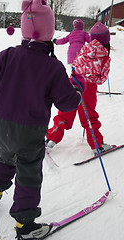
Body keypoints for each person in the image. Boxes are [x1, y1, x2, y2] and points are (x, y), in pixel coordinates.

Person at [0, 0, 86, 239]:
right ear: (49, 32)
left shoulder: (8, 55)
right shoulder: (52, 67)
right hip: (29, 133)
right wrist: (78, 90)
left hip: (2, 127)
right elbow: (67, 102)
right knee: (28, 174)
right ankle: (25, 224)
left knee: (4, 159)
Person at [46, 22, 114, 156]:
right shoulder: (104, 55)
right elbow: (102, 78)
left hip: (74, 82)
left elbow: (75, 63)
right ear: (106, 41)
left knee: (65, 113)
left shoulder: (85, 48)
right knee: (89, 116)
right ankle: (97, 145)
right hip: (88, 86)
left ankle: (50, 139)